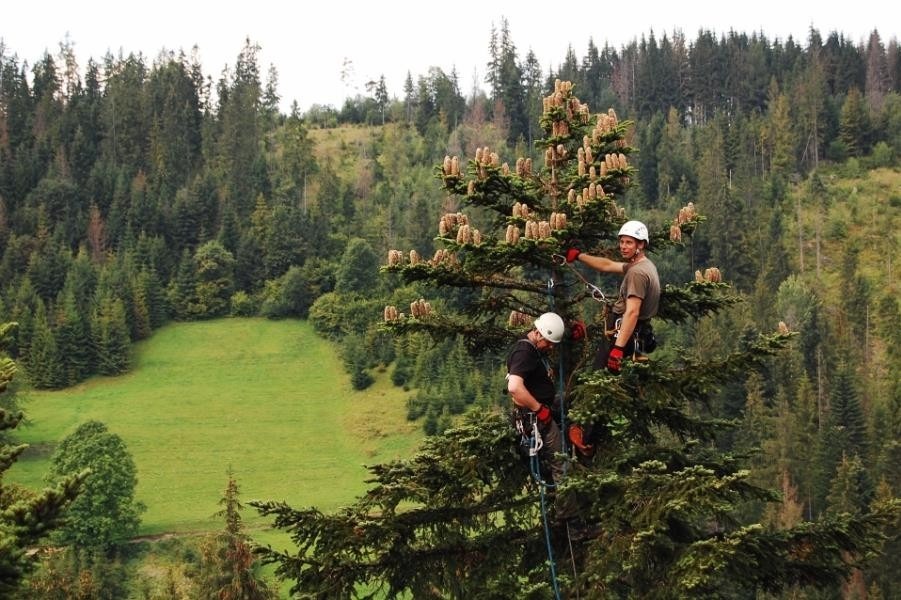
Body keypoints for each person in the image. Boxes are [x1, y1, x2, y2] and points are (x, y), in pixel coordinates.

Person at [564, 220, 660, 374]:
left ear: (641, 245)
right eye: (621, 241)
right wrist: (579, 256)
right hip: (635, 333)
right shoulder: (643, 265)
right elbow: (607, 265)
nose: (623, 246)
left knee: (599, 378)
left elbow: (632, 312)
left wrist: (618, 348)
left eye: (629, 242)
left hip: (623, 333)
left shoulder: (637, 273)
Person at [507, 312, 565, 484]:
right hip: (535, 418)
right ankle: (568, 510)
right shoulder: (524, 352)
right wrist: (539, 409)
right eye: (548, 342)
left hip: (538, 412)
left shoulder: (532, 345)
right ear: (538, 333)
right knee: (561, 464)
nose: (551, 347)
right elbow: (514, 387)